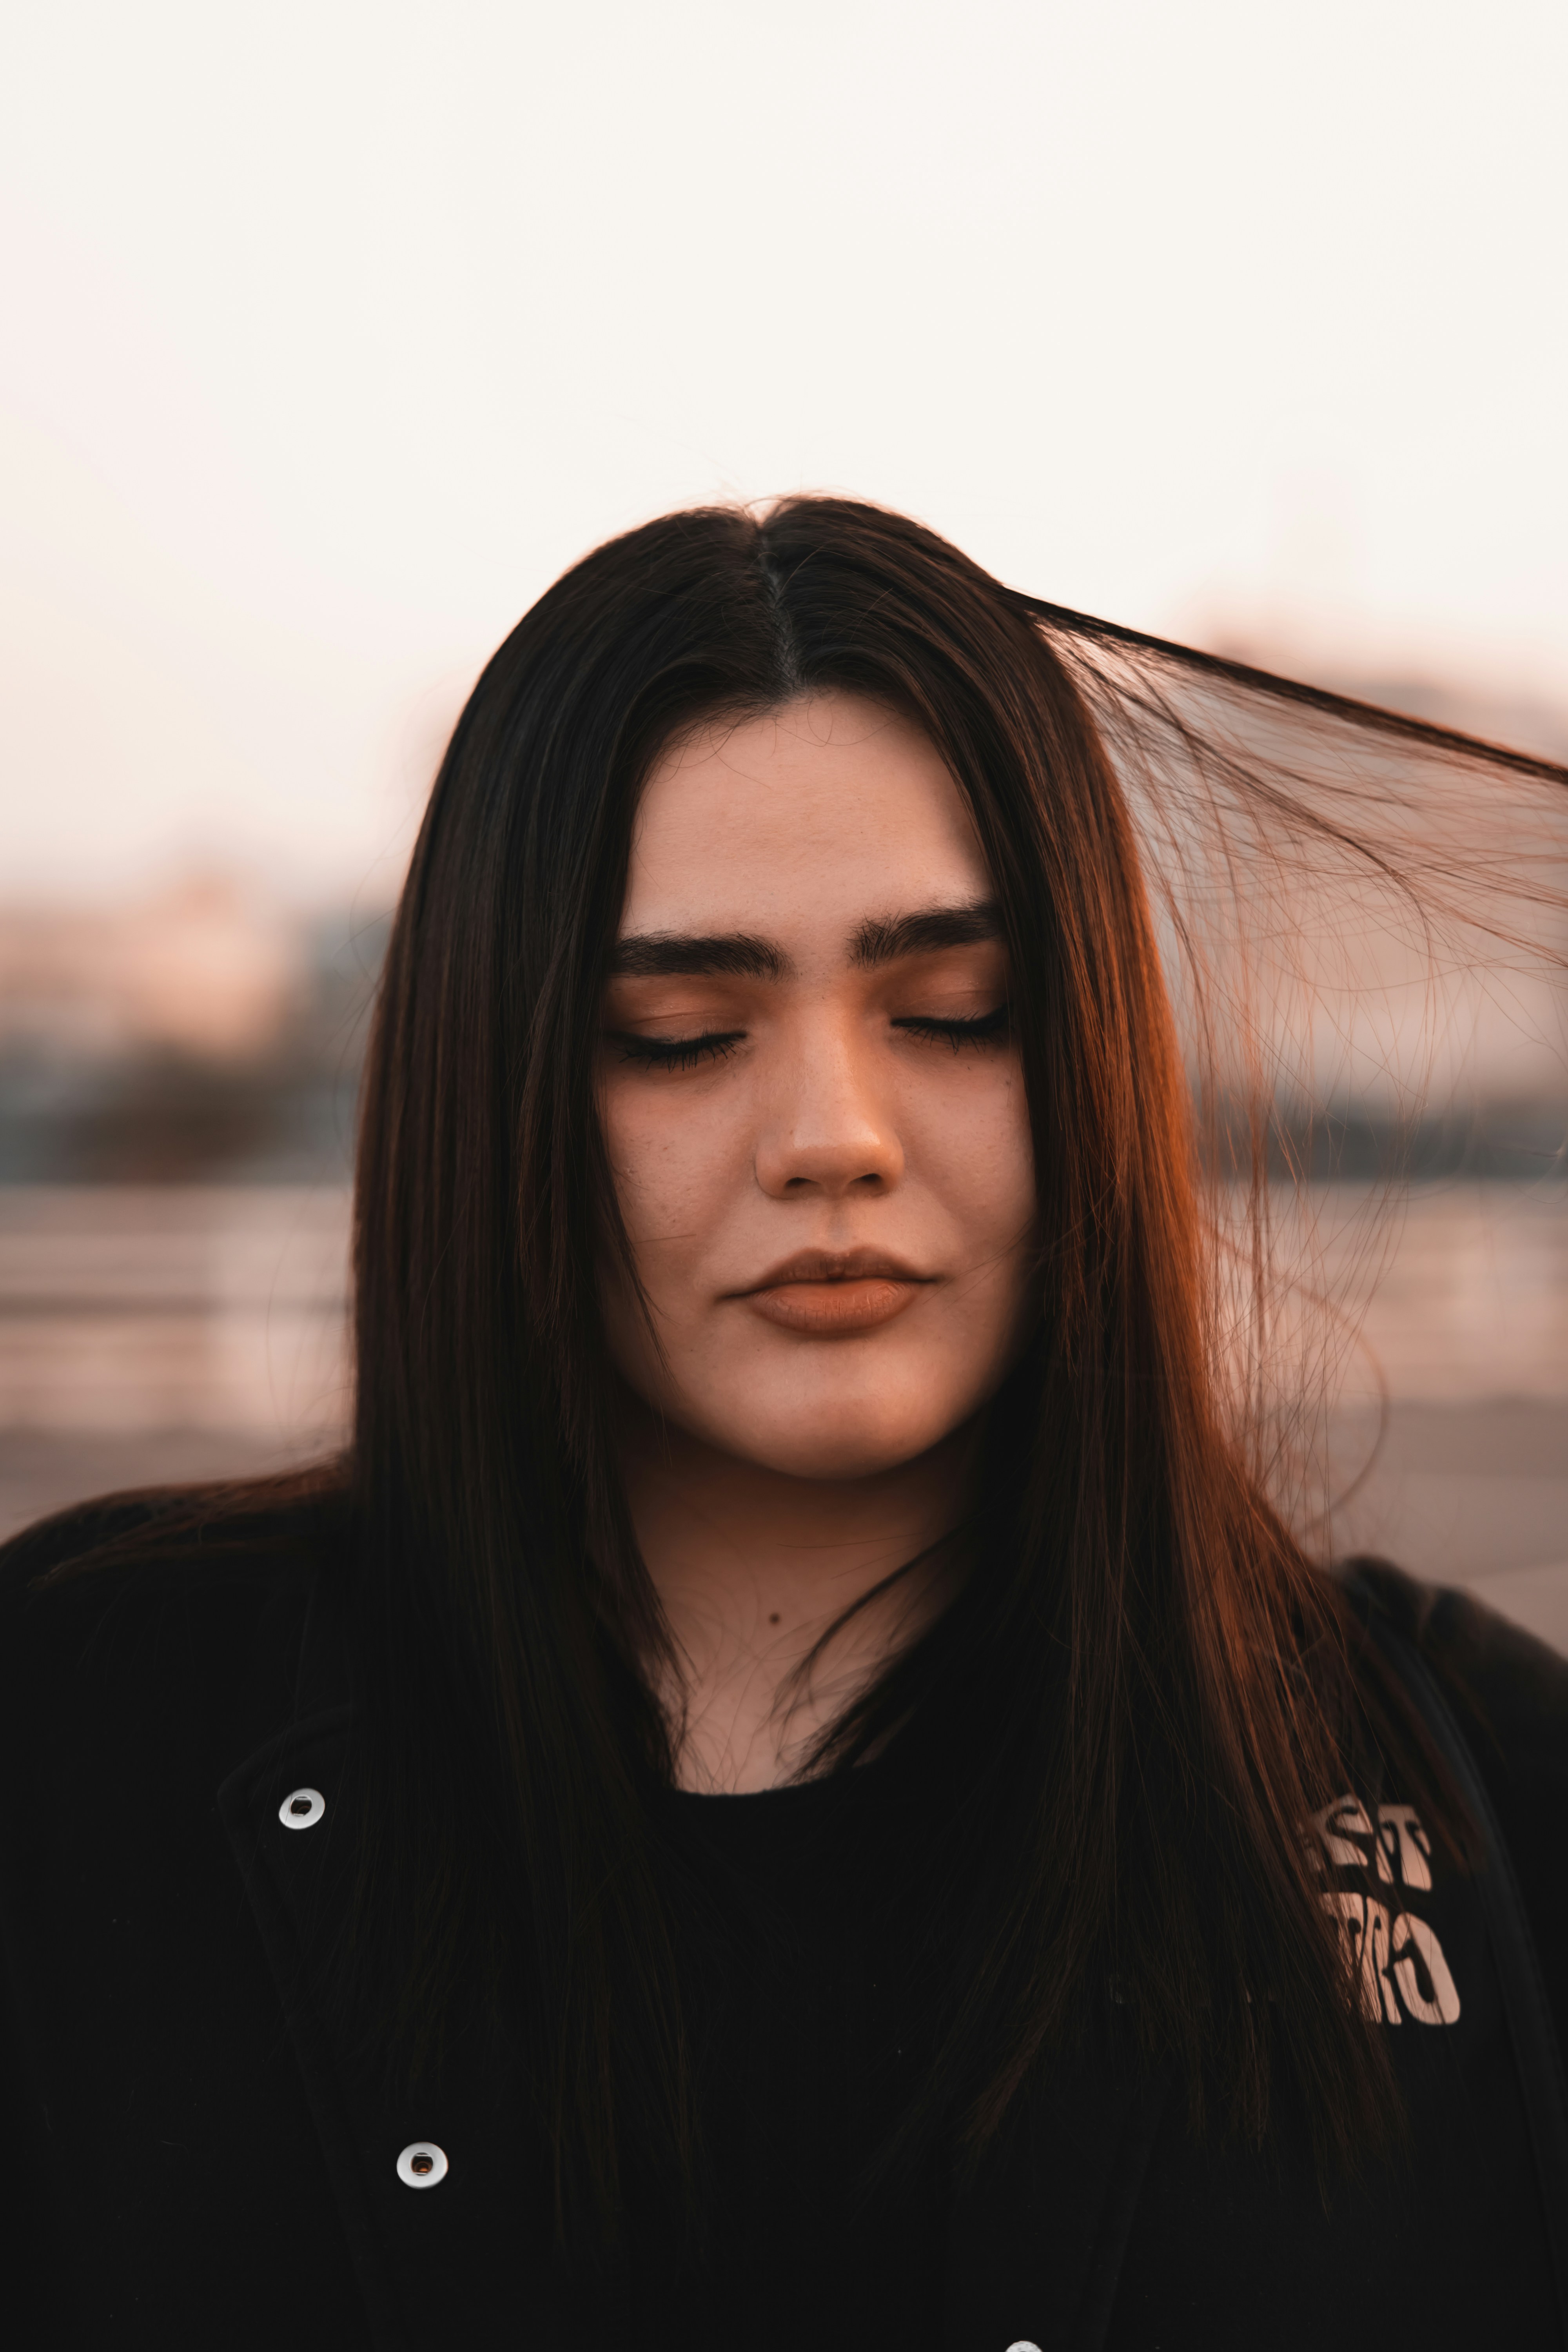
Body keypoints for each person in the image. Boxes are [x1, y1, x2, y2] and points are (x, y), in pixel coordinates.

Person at [2, 497, 1566, 2352]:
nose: (835, 1132)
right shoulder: (81, 1733)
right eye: (678, 1031)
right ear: (489, 1083)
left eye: (958, 1013)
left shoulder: (1493, 1794)